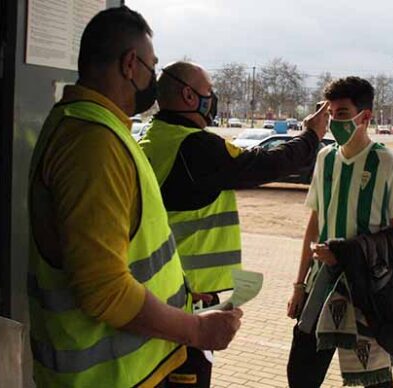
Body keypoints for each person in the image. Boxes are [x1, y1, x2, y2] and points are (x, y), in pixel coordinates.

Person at [27, 7, 242, 387]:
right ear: (130, 64)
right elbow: (103, 291)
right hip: (109, 377)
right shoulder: (93, 145)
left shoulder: (97, 128)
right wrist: (195, 330)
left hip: (132, 368)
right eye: (152, 67)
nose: (154, 80)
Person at [139, 61, 329, 387]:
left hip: (155, 291)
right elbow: (263, 164)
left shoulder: (152, 139)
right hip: (188, 297)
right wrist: (311, 136)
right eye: (208, 92)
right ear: (189, 95)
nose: (212, 99)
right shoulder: (195, 147)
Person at [286, 77, 393, 388]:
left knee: (374, 381)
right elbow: (314, 224)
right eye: (330, 114)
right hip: (321, 284)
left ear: (365, 117)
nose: (333, 122)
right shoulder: (325, 158)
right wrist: (299, 285)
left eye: (342, 114)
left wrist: (347, 252)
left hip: (368, 290)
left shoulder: (386, 162)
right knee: (301, 374)